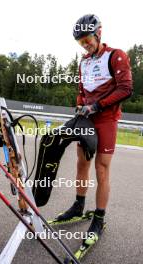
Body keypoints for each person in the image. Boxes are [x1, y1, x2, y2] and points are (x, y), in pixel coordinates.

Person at [56, 14, 133, 244]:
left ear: (98, 33)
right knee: (82, 163)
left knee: (101, 169)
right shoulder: (84, 61)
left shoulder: (115, 56)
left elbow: (126, 89)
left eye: (87, 38)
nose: (85, 44)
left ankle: (98, 219)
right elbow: (82, 90)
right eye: (80, 41)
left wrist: (96, 105)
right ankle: (78, 206)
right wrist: (80, 105)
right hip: (87, 120)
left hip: (106, 120)